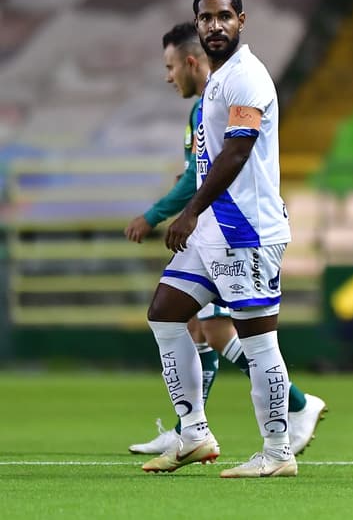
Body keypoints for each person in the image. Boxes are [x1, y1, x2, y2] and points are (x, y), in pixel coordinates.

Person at [126, 23, 326, 458]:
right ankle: (192, 431)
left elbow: (228, 158)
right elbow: (200, 171)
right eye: (206, 17)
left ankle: (286, 429)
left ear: (190, 60)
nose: (167, 76)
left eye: (170, 66)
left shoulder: (240, 82)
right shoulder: (212, 95)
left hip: (241, 231)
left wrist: (168, 214)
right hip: (212, 232)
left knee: (237, 335)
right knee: (170, 315)